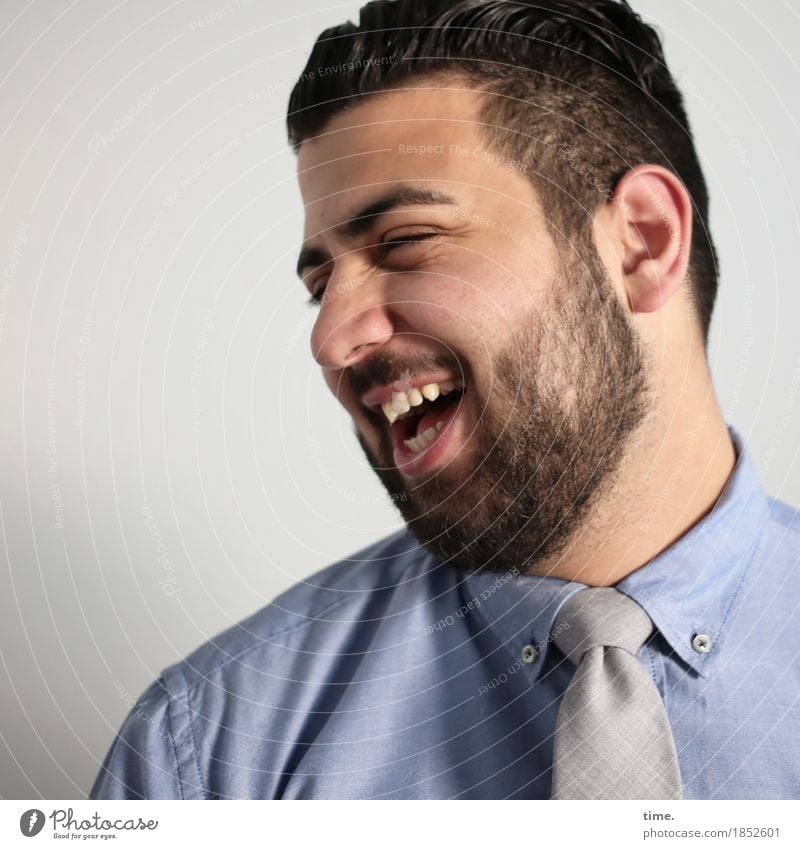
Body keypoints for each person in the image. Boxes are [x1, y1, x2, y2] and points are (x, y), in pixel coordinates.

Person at [91, 0, 800, 800]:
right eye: (319, 284)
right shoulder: (212, 754)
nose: (330, 340)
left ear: (640, 241)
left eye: (404, 242)